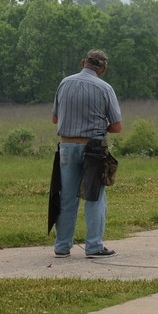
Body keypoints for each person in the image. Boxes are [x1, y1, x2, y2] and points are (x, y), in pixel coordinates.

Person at [51, 49, 123, 258]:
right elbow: (117, 127)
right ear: (103, 69)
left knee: (67, 197)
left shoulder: (64, 83)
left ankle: (62, 247)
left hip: (66, 146)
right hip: (93, 149)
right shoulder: (105, 88)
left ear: (83, 62)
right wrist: (103, 127)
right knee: (94, 196)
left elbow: (55, 119)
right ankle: (93, 246)